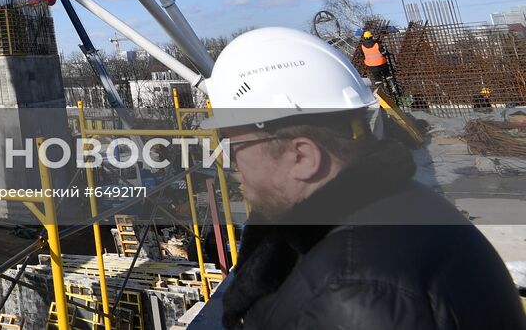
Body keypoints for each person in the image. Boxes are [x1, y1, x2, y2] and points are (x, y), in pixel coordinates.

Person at [203, 27, 525, 329]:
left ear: (302, 156)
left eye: (234, 145)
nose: (229, 161)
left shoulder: (350, 294)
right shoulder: (401, 204)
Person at [358, 28, 394, 93]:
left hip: (371, 66)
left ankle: (381, 92)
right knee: (387, 74)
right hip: (382, 63)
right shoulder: (377, 44)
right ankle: (392, 85)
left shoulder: (362, 46)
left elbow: (362, 56)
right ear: (371, 36)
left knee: (377, 79)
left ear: (364, 38)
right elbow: (383, 52)